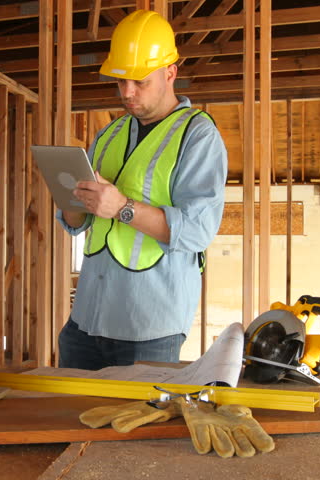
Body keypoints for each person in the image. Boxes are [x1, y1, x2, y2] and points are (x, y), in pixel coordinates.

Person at [56, 9, 228, 370]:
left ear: (170, 73)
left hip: (149, 329)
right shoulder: (110, 134)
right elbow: (77, 222)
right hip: (85, 321)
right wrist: (71, 197)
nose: (127, 93)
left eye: (139, 82)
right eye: (121, 82)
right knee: (70, 425)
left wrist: (121, 207)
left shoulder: (197, 135)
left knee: (137, 425)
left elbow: (197, 231)